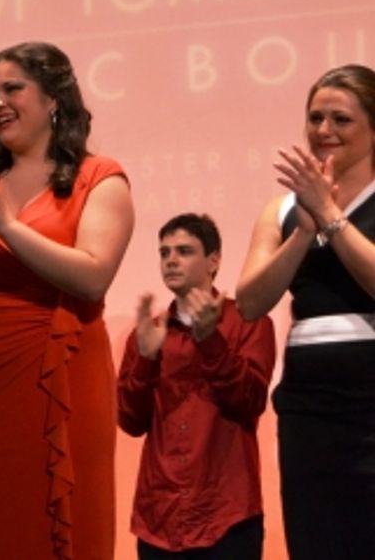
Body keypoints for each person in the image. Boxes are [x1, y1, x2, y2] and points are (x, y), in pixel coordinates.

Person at [0, 40, 134, 560]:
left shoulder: (99, 176)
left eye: (13, 88)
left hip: (64, 377)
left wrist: (7, 225)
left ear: (54, 98)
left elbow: (94, 277)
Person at [236, 63, 375, 560]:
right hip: (309, 409)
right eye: (315, 118)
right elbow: (251, 302)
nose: (323, 131)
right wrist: (303, 227)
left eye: (341, 119)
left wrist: (332, 216)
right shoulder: (281, 210)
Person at [118, 213, 275, 559]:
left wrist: (210, 341)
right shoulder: (147, 332)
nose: (171, 260)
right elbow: (130, 421)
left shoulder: (248, 319)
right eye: (164, 252)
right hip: (159, 519)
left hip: (227, 515)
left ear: (214, 261)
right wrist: (145, 358)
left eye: (184, 251)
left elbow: (251, 401)